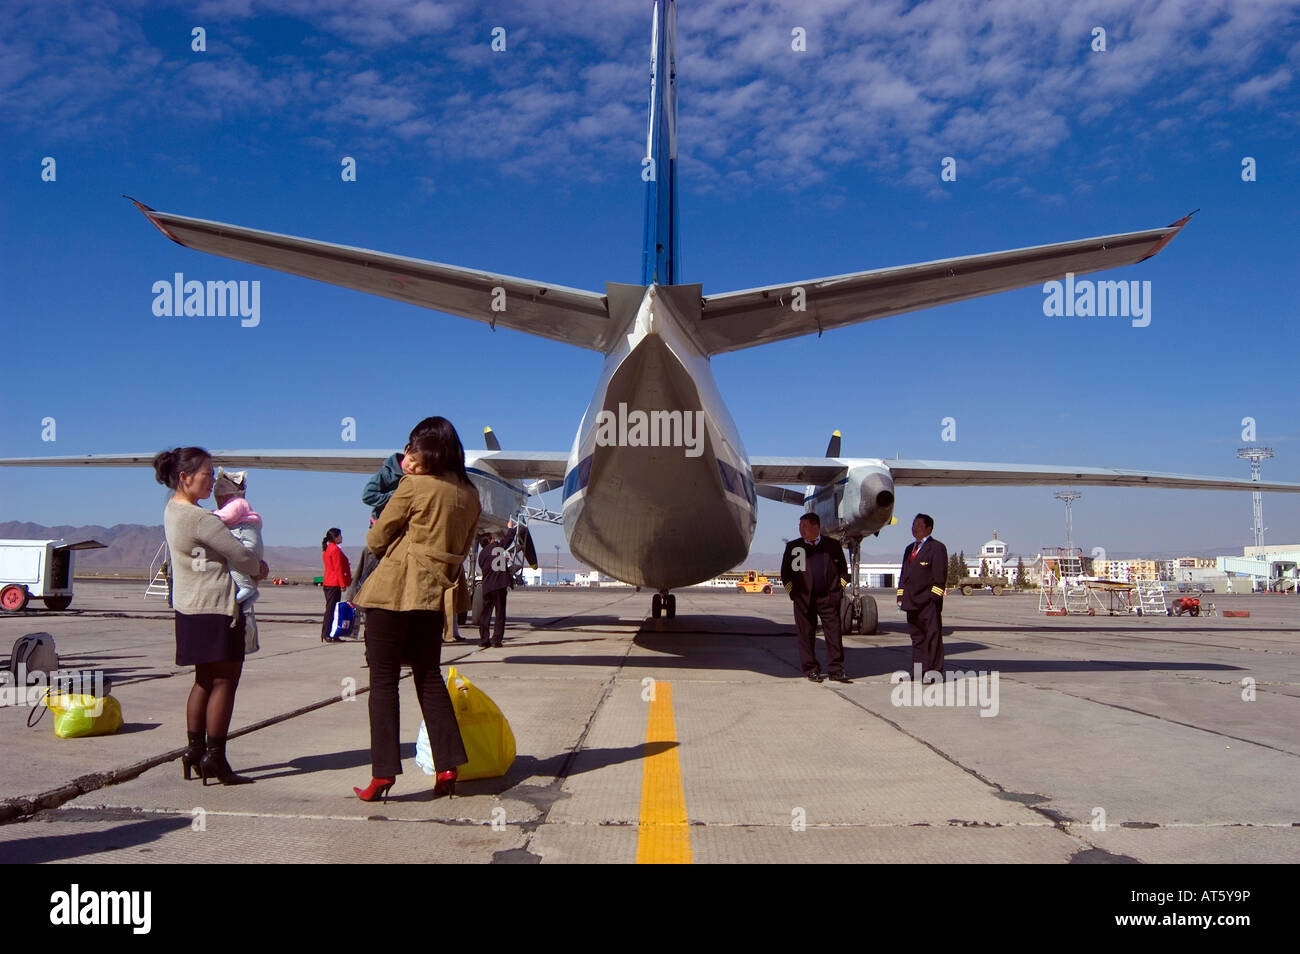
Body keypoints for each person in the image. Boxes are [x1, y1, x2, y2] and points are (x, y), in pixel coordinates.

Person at [352, 416, 479, 802]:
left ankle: (383, 774)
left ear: (430, 450)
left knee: (384, 683)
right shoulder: (469, 494)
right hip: (433, 598)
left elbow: (376, 538)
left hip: (392, 593)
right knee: (428, 678)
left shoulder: (414, 486)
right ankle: (447, 766)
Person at [154, 447, 268, 786]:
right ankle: (216, 758)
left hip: (189, 608)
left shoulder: (173, 511)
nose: (212, 478)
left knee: (203, 680)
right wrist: (260, 568)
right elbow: (241, 555)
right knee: (225, 682)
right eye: (207, 472)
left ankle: (194, 751)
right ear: (184, 477)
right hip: (216, 607)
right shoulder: (200, 519)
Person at [780, 513, 851, 683]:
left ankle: (836, 670)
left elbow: (843, 571)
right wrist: (794, 594)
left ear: (815, 527)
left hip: (828, 599)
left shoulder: (832, 545)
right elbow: (785, 574)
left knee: (833, 634)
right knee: (806, 635)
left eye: (804, 526)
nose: (800, 530)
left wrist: (837, 592)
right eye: (800, 526)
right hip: (804, 600)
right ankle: (811, 669)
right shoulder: (793, 547)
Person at [211, 469, 262, 653]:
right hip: (250, 546)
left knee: (237, 567)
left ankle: (244, 593)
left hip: (245, 543)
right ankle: (248, 594)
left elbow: (224, 518)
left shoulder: (237, 504)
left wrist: (209, 516)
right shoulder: (240, 504)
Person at [897, 513, 948, 678]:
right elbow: (904, 575)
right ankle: (918, 672)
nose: (914, 528)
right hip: (911, 602)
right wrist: (901, 595)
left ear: (929, 528)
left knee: (932, 638)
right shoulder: (909, 549)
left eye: (919, 525)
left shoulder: (937, 548)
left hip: (928, 603)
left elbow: (940, 578)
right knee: (917, 639)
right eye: (913, 525)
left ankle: (935, 672)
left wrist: (932, 600)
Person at [476, 520, 517, 647]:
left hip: (487, 587)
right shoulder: (496, 548)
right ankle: (496, 640)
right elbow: (508, 540)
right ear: (489, 540)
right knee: (500, 613)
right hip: (499, 585)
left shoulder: (482, 555)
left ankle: (483, 639)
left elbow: (484, 566)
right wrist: (511, 528)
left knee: (485, 614)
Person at [321, 528, 352, 642]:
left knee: (332, 609)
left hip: (329, 583)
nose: (342, 537)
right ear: (335, 537)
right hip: (333, 583)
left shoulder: (328, 549)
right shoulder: (334, 550)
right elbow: (338, 569)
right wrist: (342, 584)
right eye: (340, 536)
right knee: (331, 610)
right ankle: (327, 634)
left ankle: (331, 633)